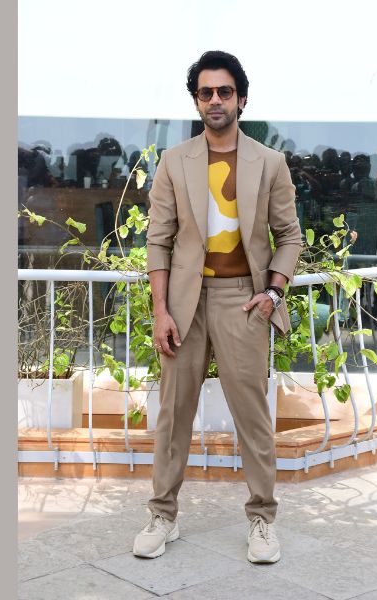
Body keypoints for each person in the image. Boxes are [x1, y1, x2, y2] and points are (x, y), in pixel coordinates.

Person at [133, 50, 302, 564]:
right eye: (205, 92)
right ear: (196, 101)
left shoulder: (269, 163)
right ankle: (163, 514)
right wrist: (161, 310)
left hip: (242, 300)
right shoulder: (174, 161)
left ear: (241, 99)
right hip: (184, 302)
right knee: (173, 414)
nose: (215, 100)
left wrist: (273, 293)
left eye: (224, 91)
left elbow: (289, 236)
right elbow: (158, 240)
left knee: (252, 415)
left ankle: (262, 519)